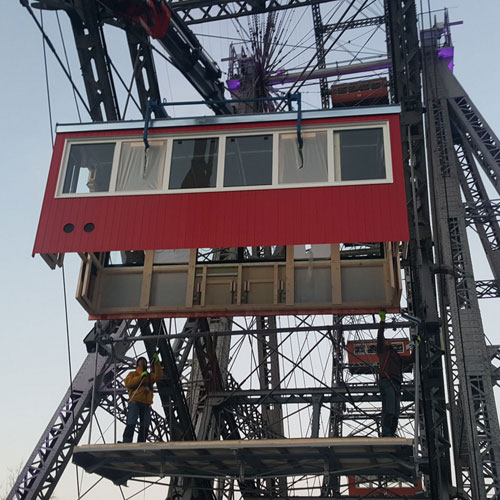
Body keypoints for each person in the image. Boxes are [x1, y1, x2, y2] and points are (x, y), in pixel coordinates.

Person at [377, 310, 414, 437]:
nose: (389, 341)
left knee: (396, 412)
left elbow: (411, 359)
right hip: (387, 382)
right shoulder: (382, 352)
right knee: (390, 409)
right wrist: (382, 321)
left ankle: (390, 432)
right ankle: (386, 433)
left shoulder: (397, 357)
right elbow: (380, 336)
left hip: (396, 384)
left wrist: (416, 344)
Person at [122, 352, 163, 443]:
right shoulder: (133, 374)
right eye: (141, 361)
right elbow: (128, 383)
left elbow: (158, 375)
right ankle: (127, 442)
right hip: (135, 402)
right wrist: (140, 377)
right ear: (137, 364)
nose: (143, 363)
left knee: (145, 426)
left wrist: (157, 363)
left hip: (146, 404)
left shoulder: (149, 376)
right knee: (131, 423)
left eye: (144, 361)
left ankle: (141, 443)